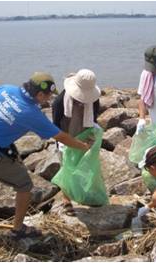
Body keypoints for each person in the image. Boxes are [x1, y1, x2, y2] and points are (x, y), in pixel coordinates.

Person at [0, 72, 90, 239]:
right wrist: (83, 146)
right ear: (40, 94)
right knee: (25, 185)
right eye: (47, 97)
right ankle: (17, 229)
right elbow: (60, 136)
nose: (48, 100)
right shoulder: (32, 113)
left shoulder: (4, 89)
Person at [52, 69, 101, 215]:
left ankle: (83, 195)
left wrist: (93, 133)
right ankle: (67, 201)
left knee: (85, 166)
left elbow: (94, 118)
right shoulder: (60, 101)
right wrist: (62, 140)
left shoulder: (94, 99)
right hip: (66, 135)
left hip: (84, 133)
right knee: (66, 168)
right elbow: (54, 124)